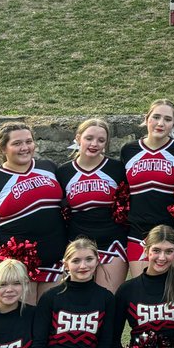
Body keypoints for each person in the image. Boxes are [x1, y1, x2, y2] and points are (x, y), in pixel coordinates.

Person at [0, 122, 66, 302]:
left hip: (56, 260)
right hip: (19, 265)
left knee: (50, 315)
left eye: (28, 141)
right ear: (3, 148)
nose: (24, 148)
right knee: (22, 316)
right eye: (17, 143)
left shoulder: (48, 167)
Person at [121, 100, 174, 277]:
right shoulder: (129, 150)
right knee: (143, 287)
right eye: (156, 117)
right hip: (139, 231)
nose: (161, 123)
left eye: (167, 119)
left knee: (172, 290)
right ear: (146, 118)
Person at [58, 118, 127, 294]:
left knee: (108, 297)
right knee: (78, 299)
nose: (94, 144)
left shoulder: (117, 169)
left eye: (101, 140)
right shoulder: (63, 172)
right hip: (77, 242)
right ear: (78, 138)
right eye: (89, 138)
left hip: (112, 242)